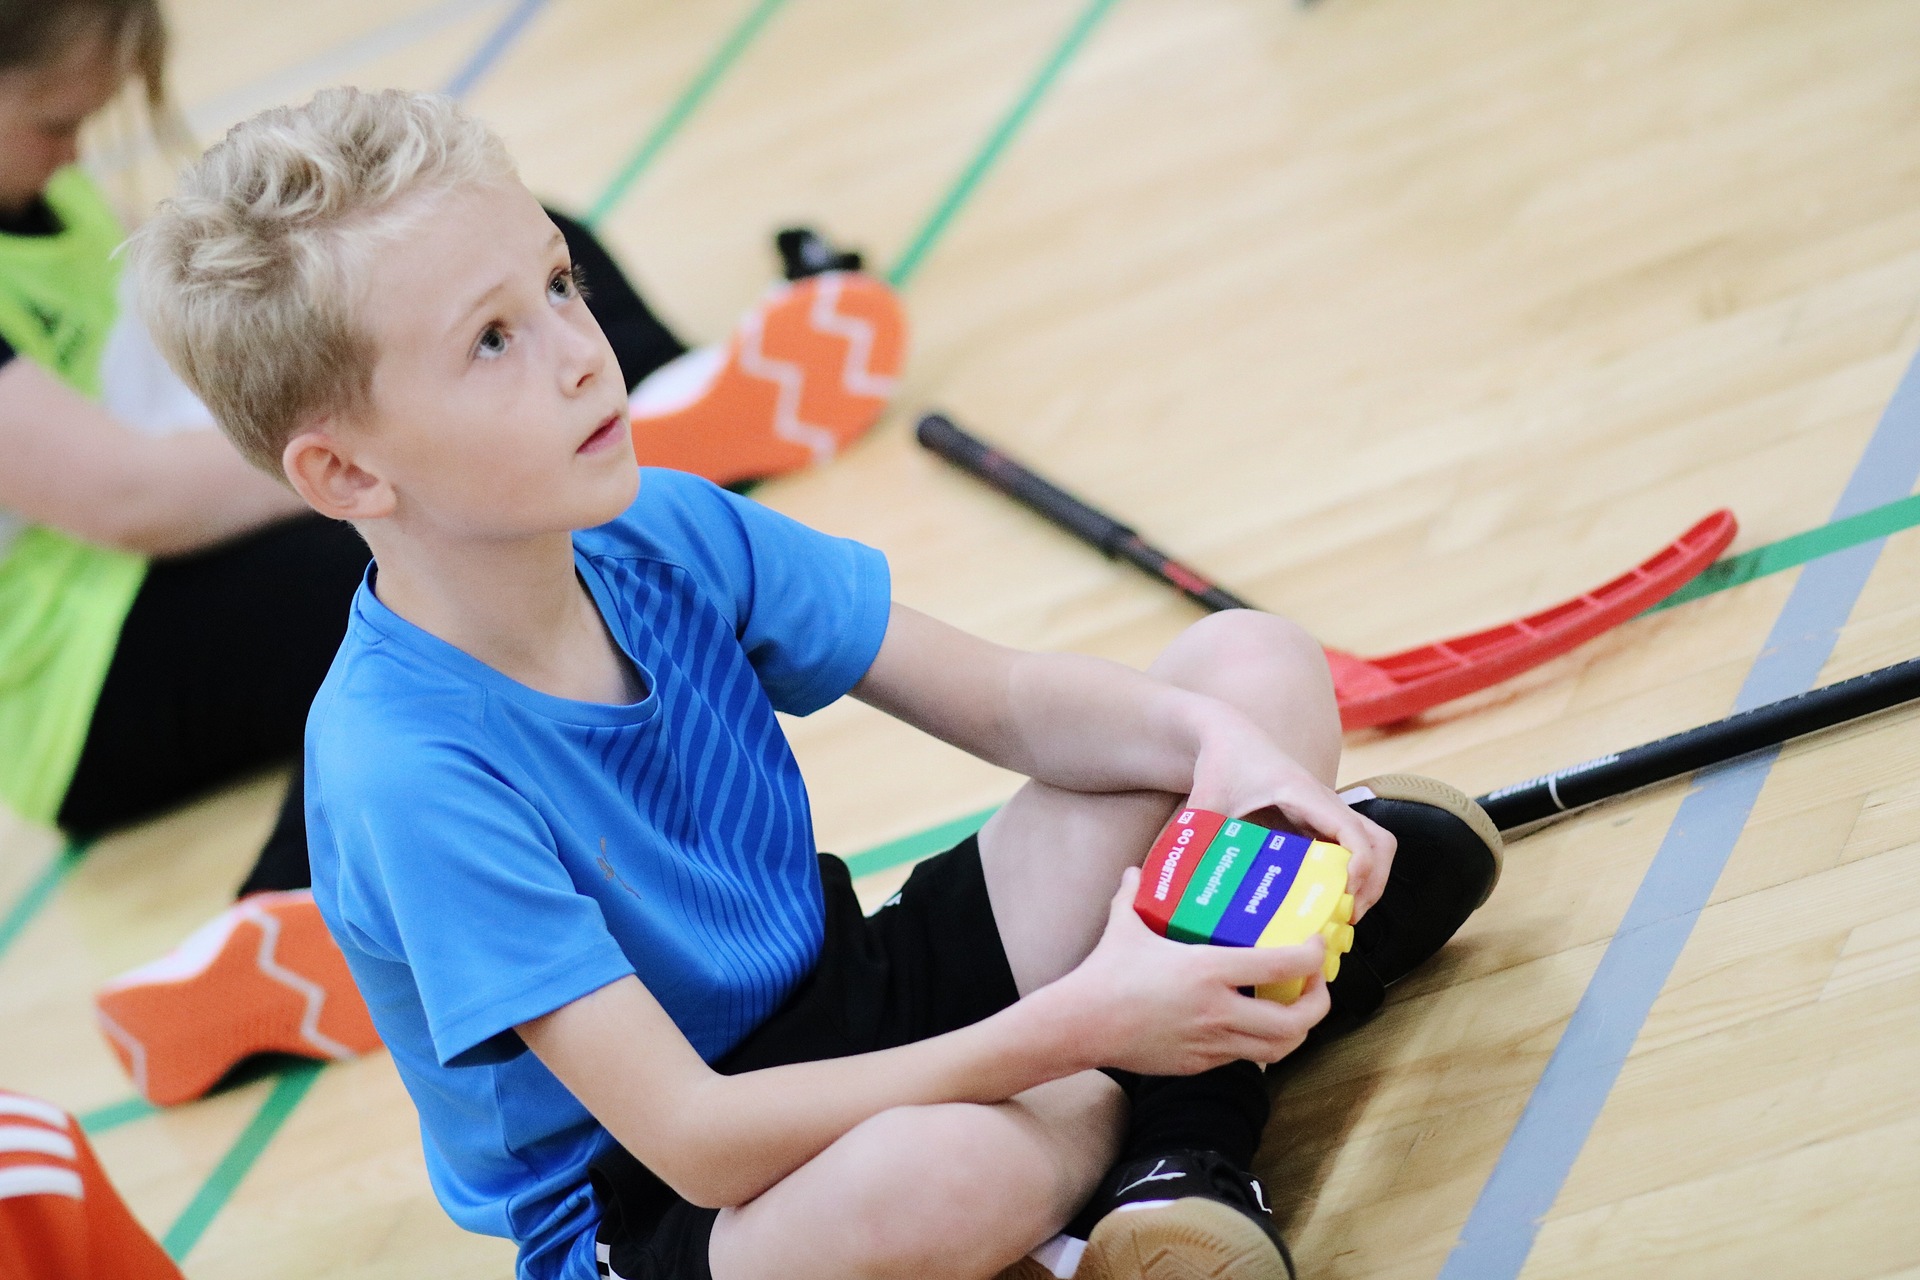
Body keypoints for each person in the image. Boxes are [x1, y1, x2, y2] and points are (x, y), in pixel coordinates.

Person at [128, 87, 1500, 1280]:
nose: (581, 350)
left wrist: (1218, 750)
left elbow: (1009, 705)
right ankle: (1196, 1077)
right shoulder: (404, 768)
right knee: (944, 1176)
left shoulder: (661, 523)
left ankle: (1170, 1116)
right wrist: (1083, 1019)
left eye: (556, 283)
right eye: (491, 340)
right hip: (660, 1200)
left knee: (1251, 665)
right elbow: (699, 1140)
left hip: (848, 998)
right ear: (346, 472)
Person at [0, 1, 905, 1103]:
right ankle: (282, 911)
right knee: (411, 548)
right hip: (87, 682)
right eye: (56, 124)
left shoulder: (36, 194)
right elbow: (130, 495)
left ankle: (660, 399)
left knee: (498, 261)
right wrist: (392, 453)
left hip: (213, 539)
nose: (75, 155)